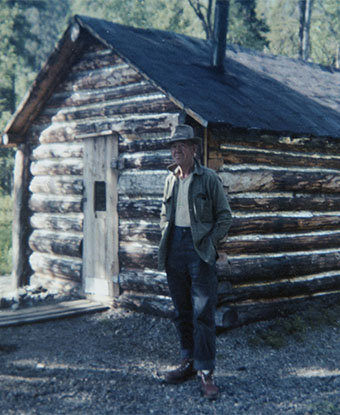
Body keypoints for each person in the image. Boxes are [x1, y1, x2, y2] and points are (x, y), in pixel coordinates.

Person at [158, 124, 232, 400]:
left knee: (203, 313)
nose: (176, 150)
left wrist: (210, 243)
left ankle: (206, 371)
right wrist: (165, 234)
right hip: (173, 248)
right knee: (181, 311)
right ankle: (188, 362)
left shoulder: (208, 179)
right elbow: (164, 214)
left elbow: (225, 217)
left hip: (199, 250)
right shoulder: (170, 179)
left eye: (182, 145)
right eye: (173, 146)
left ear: (194, 149)